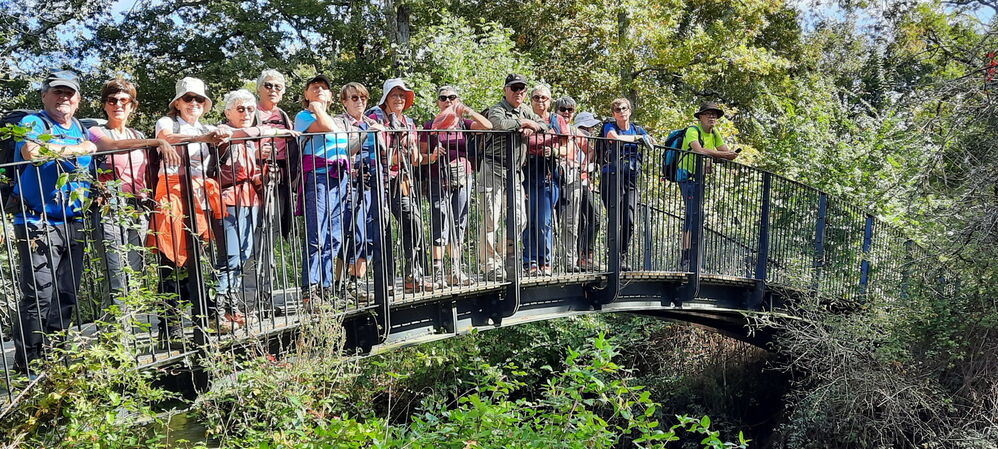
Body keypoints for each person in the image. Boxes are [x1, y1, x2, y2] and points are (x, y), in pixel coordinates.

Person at [9, 70, 97, 375]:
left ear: (78, 100)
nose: (64, 98)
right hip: (36, 220)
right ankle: (27, 366)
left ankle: (55, 358)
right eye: (57, 92)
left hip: (72, 220)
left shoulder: (81, 129)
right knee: (39, 294)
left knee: (66, 294)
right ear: (44, 96)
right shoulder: (33, 123)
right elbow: (32, 152)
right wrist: (77, 149)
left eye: (69, 93)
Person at [151, 76, 229, 349]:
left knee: (199, 260)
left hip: (198, 197)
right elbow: (167, 139)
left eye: (198, 99)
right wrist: (204, 137)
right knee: (169, 260)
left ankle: (203, 320)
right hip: (171, 194)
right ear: (178, 102)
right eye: (188, 98)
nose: (193, 103)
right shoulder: (167, 122)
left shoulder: (209, 127)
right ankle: (169, 327)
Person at [89, 78, 179, 310]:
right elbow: (111, 146)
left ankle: (125, 337)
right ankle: (115, 341)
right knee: (116, 276)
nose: (118, 104)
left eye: (124, 100)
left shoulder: (136, 133)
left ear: (133, 106)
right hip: (110, 208)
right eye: (112, 100)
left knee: (134, 275)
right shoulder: (95, 132)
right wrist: (157, 141)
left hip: (137, 209)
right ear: (104, 105)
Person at [213, 89, 298, 332]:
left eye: (250, 109)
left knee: (243, 254)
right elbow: (239, 139)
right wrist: (275, 131)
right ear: (228, 112)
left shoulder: (250, 142)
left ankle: (232, 308)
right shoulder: (226, 132)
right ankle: (218, 311)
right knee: (231, 256)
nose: (246, 113)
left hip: (251, 200)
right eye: (240, 109)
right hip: (229, 200)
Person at [366, 78, 438, 293]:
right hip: (379, 179)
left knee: (413, 223)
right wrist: (399, 154)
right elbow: (379, 153)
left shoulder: (408, 122)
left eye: (402, 95)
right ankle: (385, 282)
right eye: (395, 95)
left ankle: (412, 275)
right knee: (384, 228)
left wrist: (427, 156)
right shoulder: (374, 117)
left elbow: (414, 158)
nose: (399, 99)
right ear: (386, 97)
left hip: (402, 180)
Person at [420, 85, 492, 286]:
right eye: (443, 98)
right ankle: (437, 271)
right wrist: (432, 157)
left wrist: (467, 110)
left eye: (452, 97)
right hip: (437, 177)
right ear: (438, 102)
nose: (448, 101)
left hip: (463, 177)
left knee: (459, 221)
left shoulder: (464, 123)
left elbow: (487, 126)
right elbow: (419, 157)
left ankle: (455, 270)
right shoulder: (430, 126)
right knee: (439, 219)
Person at [295, 74, 357, 303]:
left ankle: (326, 286)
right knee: (316, 234)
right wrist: (317, 108)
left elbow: (345, 149)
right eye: (314, 87)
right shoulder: (303, 116)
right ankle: (310, 288)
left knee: (334, 236)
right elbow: (328, 128)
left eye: (324, 88)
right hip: (318, 178)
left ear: (331, 96)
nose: (319, 90)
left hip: (339, 179)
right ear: (306, 94)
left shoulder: (336, 120)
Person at [480, 74, 549, 280]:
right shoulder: (497, 108)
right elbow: (499, 124)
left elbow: (544, 125)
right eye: (514, 88)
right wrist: (523, 122)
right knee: (491, 218)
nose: (519, 92)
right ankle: (491, 265)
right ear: (506, 90)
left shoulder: (526, 109)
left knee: (520, 218)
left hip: (515, 172)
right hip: (493, 167)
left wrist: (532, 125)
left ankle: (504, 258)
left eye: (522, 89)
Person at [338, 82, 385, 300]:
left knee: (368, 236)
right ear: (344, 101)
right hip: (349, 186)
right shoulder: (340, 123)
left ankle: (356, 283)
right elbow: (345, 151)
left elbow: (385, 155)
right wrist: (367, 135)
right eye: (354, 98)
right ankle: (339, 285)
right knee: (349, 234)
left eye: (363, 98)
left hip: (372, 185)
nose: (359, 102)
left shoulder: (371, 122)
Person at [677, 102, 739, 268]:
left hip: (700, 179)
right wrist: (725, 154)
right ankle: (687, 256)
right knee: (694, 213)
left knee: (697, 214)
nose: (712, 117)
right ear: (701, 117)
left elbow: (724, 152)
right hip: (687, 177)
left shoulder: (714, 133)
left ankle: (692, 255)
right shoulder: (693, 131)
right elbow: (700, 150)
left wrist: (728, 156)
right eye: (708, 114)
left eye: (714, 114)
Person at [599, 97, 654, 271]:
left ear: (629, 110)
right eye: (617, 110)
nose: (621, 112)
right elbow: (613, 138)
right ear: (613, 113)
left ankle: (622, 254)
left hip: (631, 178)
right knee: (615, 217)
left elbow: (652, 141)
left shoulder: (637, 128)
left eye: (623, 108)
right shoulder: (610, 126)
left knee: (629, 218)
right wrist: (638, 138)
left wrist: (645, 138)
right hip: (611, 176)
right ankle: (613, 256)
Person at [522, 85, 568, 276]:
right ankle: (530, 261)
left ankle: (545, 260)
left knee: (544, 220)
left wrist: (555, 151)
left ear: (550, 101)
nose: (540, 101)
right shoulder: (524, 117)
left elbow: (568, 147)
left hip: (548, 172)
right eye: (536, 97)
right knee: (527, 219)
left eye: (544, 98)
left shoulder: (556, 120)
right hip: (526, 171)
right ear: (530, 100)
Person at [254, 69, 298, 240]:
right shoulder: (250, 111)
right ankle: (253, 265)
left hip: (280, 175)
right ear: (259, 88)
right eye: (268, 85)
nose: (273, 90)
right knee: (258, 221)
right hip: (257, 175)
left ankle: (268, 262)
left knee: (276, 222)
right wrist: (256, 152)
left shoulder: (283, 115)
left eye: (278, 87)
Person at [551, 96, 586, 273]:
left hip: (572, 178)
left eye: (570, 110)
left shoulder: (575, 131)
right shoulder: (551, 127)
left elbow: (590, 149)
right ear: (556, 111)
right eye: (563, 109)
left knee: (570, 222)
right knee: (549, 221)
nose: (566, 113)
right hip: (552, 174)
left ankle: (569, 262)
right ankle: (548, 261)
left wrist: (584, 168)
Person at [572, 112, 603, 270]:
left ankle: (583, 256)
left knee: (584, 220)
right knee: (594, 217)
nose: (592, 130)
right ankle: (584, 256)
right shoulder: (577, 137)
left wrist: (586, 167)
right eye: (590, 127)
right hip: (577, 182)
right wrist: (584, 167)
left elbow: (590, 152)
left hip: (583, 181)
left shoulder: (583, 140)